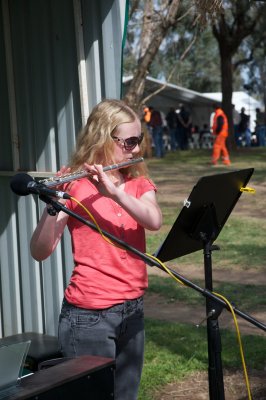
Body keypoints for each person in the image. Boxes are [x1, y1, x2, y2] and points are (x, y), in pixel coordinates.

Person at [30, 99, 163, 400]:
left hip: (133, 309)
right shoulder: (73, 182)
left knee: (125, 396)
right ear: (103, 137)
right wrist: (54, 208)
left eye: (138, 140)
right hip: (89, 316)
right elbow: (40, 251)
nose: (136, 149)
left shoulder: (137, 181)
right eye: (128, 142)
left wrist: (114, 192)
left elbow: (153, 220)